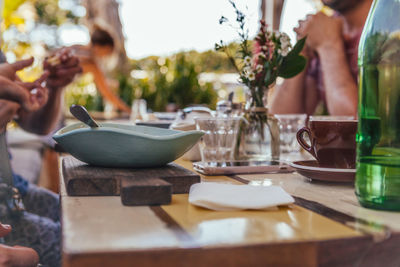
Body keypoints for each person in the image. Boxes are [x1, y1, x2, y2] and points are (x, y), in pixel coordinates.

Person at [0, 49, 81, 267]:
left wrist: (54, 87)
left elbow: (34, 122)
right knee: (79, 245)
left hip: (12, 187)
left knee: (83, 217)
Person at [270, 0, 373, 116]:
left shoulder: (389, 29)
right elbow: (282, 122)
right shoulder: (323, 26)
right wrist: (301, 50)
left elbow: (364, 125)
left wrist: (329, 45)